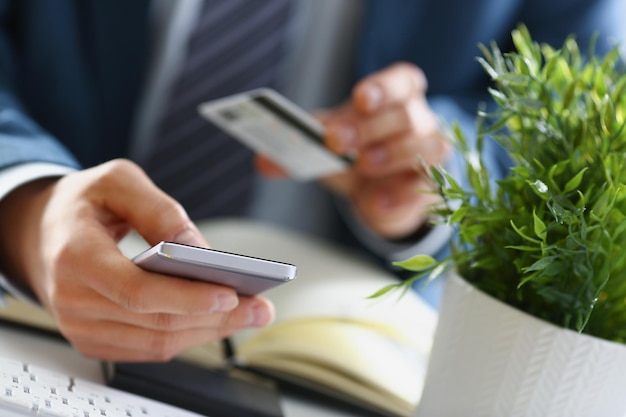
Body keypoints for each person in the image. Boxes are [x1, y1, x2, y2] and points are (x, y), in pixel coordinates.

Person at [0, 0, 623, 362]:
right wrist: (27, 208)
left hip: (340, 359)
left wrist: (446, 176)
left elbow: (584, 123)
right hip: (32, 332)